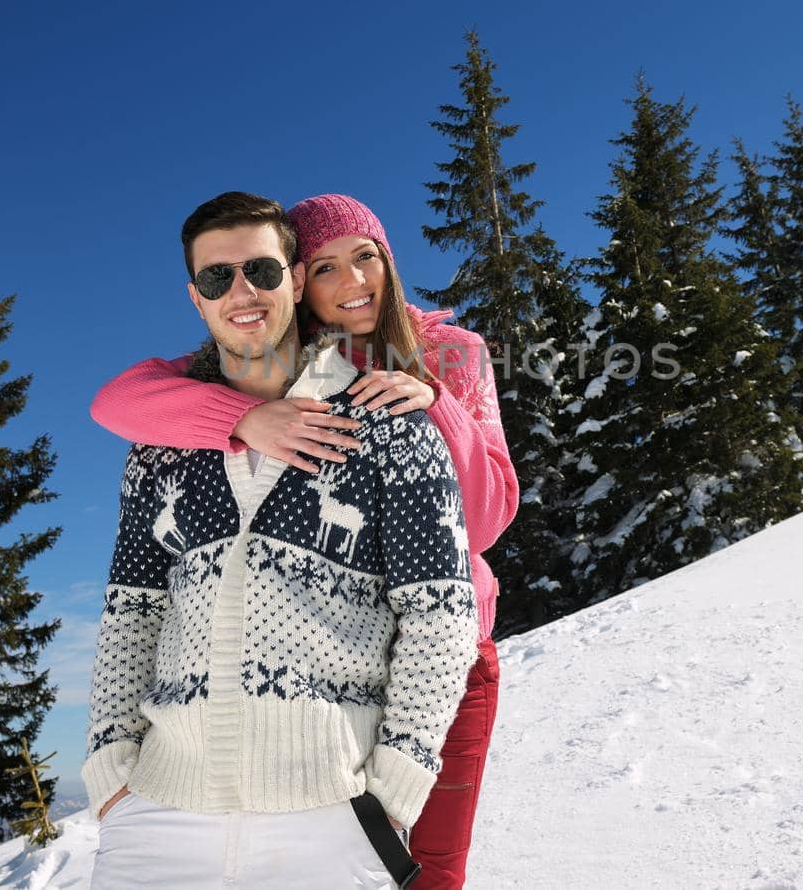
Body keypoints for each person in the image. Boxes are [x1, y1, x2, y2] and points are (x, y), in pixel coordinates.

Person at [90, 193, 517, 889]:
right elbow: (117, 401)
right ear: (303, 283)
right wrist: (243, 419)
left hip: (455, 648)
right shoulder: (275, 365)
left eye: (366, 257)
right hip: (252, 738)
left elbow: (490, 518)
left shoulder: (449, 355)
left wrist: (431, 401)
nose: (352, 282)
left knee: (428, 873)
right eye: (326, 267)